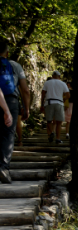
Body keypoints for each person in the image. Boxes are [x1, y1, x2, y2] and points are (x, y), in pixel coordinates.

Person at [0, 40, 30, 184]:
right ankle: (3, 167)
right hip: (11, 99)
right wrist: (26, 107)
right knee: (8, 133)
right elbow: (25, 90)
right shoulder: (15, 66)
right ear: (7, 52)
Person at [41, 70, 69, 144]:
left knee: (49, 121)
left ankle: (50, 133)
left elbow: (43, 94)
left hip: (49, 102)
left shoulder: (47, 83)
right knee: (59, 123)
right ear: (59, 76)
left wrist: (41, 104)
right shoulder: (63, 83)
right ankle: (58, 138)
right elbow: (68, 95)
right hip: (59, 103)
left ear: (52, 76)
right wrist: (63, 99)